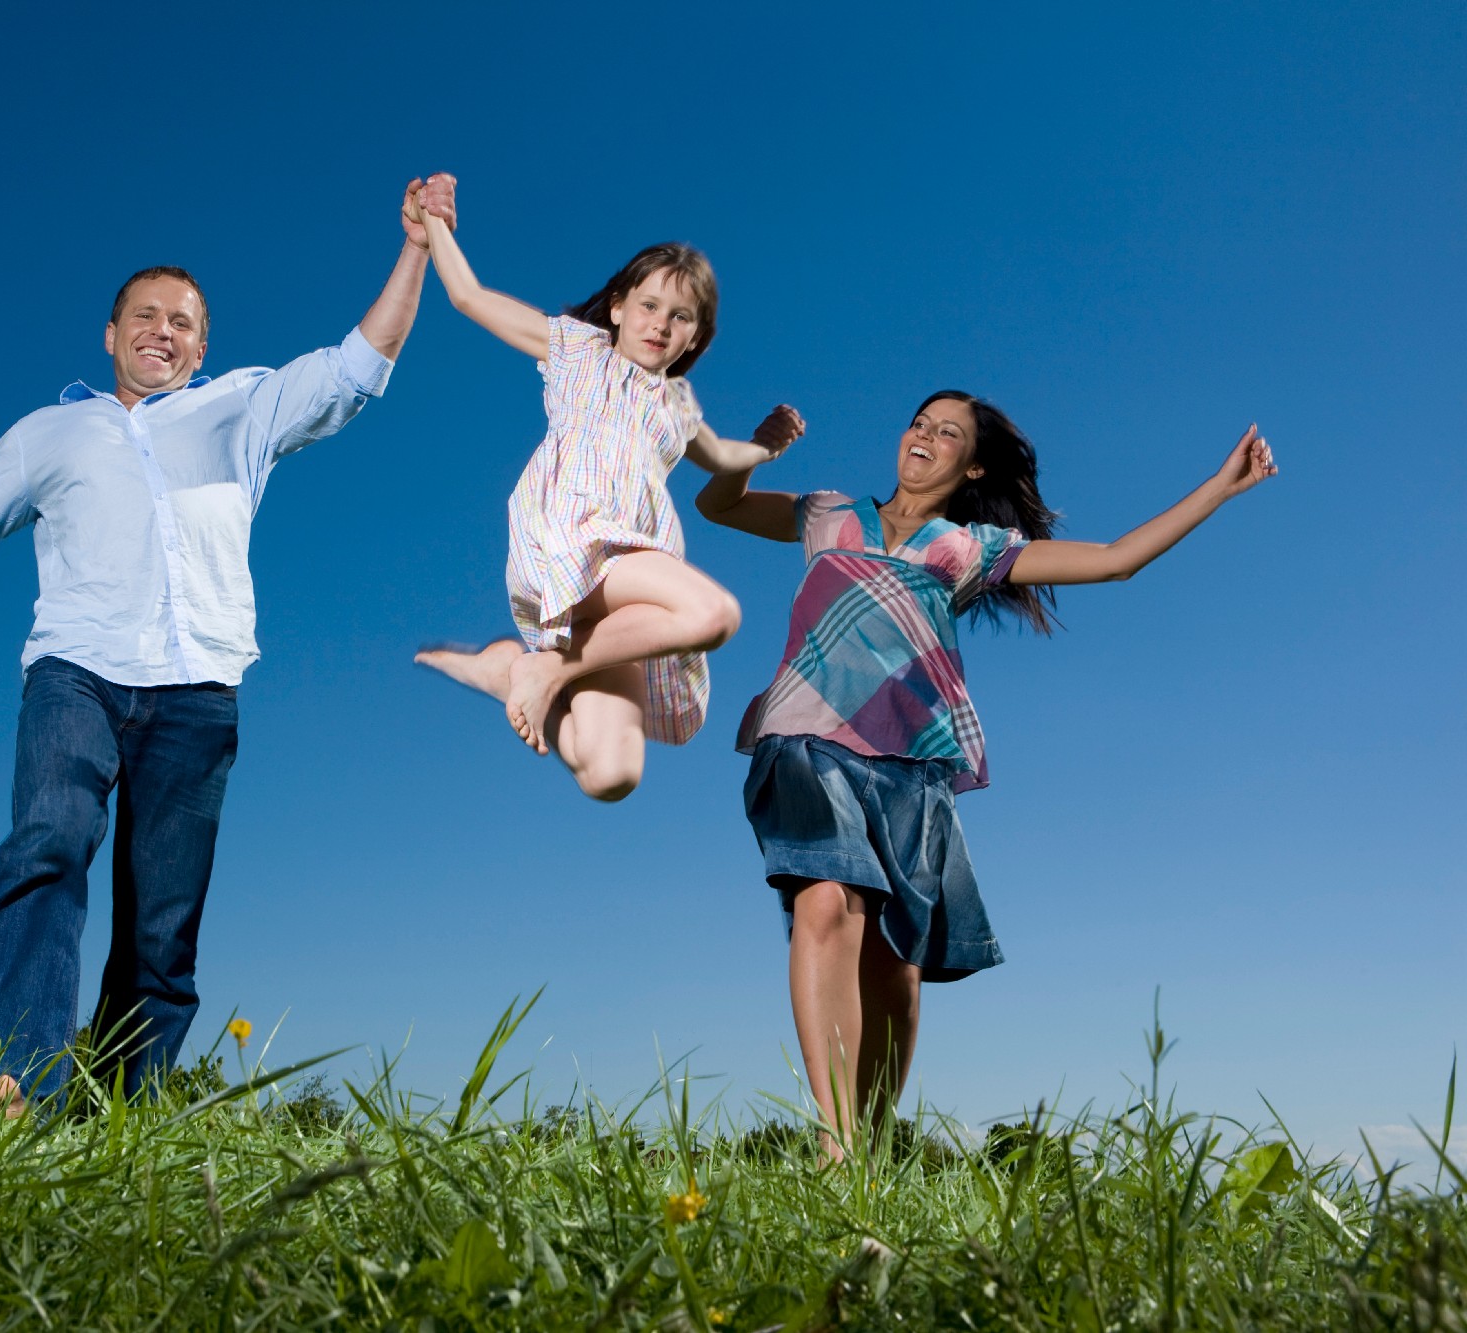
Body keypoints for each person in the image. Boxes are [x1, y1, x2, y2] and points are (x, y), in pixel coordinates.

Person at [0, 178, 447, 1113]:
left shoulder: (244, 408)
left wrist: (416, 249)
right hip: (75, 674)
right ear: (111, 336)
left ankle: (125, 1116)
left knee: (163, 918)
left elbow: (358, 365)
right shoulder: (50, 432)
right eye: (146, 316)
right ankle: (9, 1082)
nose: (165, 330)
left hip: (199, 686)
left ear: (204, 346)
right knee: (47, 841)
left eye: (185, 322)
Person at [695, 392, 1277, 1157]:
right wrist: (755, 452)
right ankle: (838, 1153)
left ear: (970, 463)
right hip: (806, 739)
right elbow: (718, 504)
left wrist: (1219, 486)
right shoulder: (827, 514)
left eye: (947, 433)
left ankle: (871, 1152)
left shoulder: (969, 548)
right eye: (917, 423)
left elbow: (1114, 562)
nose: (923, 437)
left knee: (895, 970)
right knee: (826, 906)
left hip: (912, 768)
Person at [408, 173, 803, 801]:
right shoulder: (577, 350)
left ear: (694, 338)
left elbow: (723, 454)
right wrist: (433, 224)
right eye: (648, 306)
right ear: (618, 306)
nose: (660, 325)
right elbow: (468, 295)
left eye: (681, 319)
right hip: (576, 540)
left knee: (610, 775)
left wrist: (767, 446)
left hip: (624, 586)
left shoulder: (676, 404)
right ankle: (549, 666)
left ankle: (511, 668)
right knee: (712, 612)